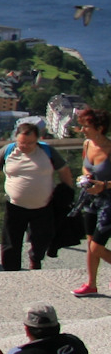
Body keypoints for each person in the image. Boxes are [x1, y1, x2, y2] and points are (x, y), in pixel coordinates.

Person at [0, 118, 75, 271]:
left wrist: (66, 193)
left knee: (42, 239)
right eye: (21, 143)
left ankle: (36, 258)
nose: (24, 146)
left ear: (37, 140)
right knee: (11, 242)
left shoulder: (47, 151)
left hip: (43, 206)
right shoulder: (8, 151)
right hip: (15, 205)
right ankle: (11, 271)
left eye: (29, 143)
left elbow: (64, 170)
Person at [73, 107, 110, 297]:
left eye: (86, 126)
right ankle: (91, 283)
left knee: (97, 247)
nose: (83, 130)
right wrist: (86, 177)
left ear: (100, 127)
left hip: (109, 202)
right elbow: (85, 166)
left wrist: (104, 185)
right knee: (90, 244)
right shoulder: (87, 144)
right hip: (90, 200)